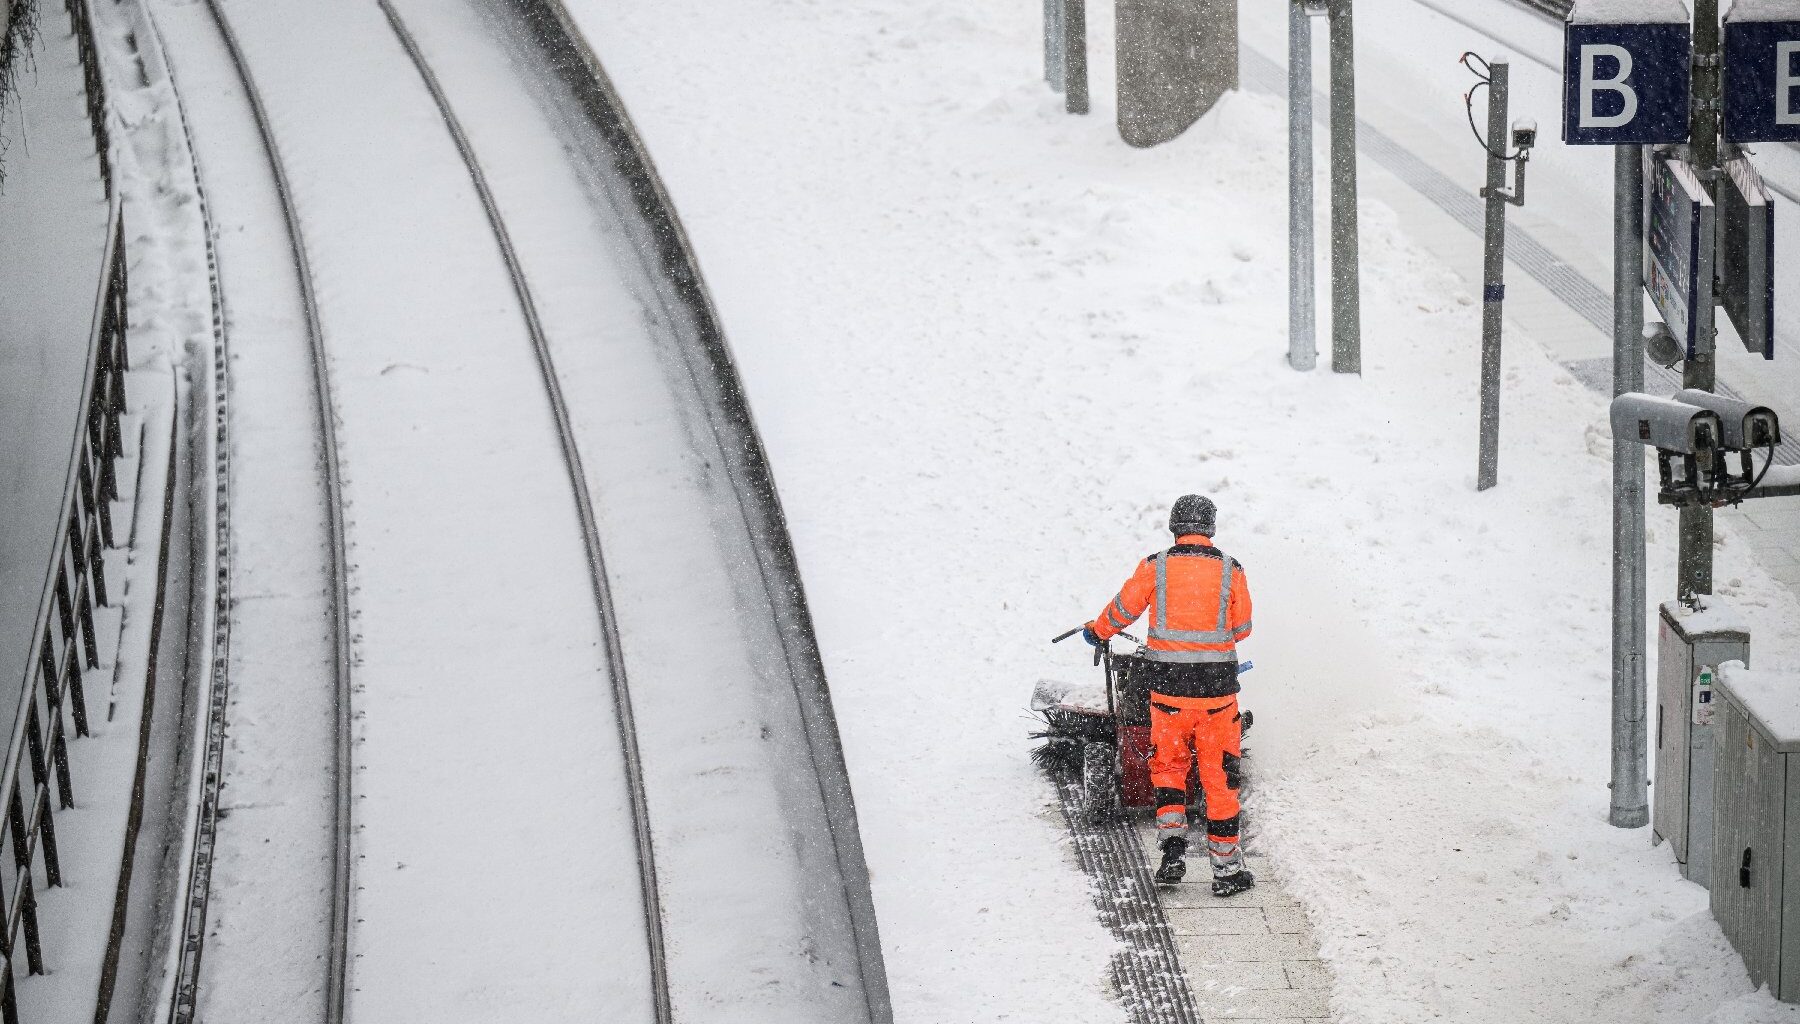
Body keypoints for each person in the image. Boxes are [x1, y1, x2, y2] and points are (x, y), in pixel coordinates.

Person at [1083, 494, 1254, 895]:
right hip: (1217, 699)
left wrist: (1096, 630)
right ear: (1210, 527)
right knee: (1219, 779)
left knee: (1170, 769)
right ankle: (1227, 872)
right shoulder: (1232, 570)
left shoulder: (1155, 567)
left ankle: (1172, 852)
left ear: (1174, 526)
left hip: (1168, 696)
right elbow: (1242, 628)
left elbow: (1122, 611)